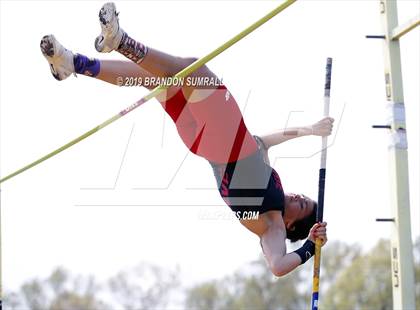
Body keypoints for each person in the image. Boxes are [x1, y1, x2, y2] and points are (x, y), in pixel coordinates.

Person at [40, 2, 332, 277]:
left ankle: (121, 42)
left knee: (193, 71)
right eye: (304, 196)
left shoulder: (272, 227)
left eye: (302, 205)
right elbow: (265, 141)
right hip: (204, 141)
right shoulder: (273, 187)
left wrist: (310, 246)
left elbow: (278, 267)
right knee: (153, 79)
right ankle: (74, 63)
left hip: (222, 143)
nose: (297, 197)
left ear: (294, 223)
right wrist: (310, 129)